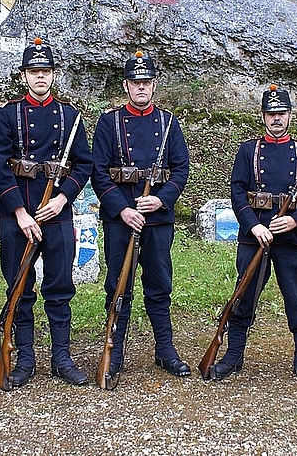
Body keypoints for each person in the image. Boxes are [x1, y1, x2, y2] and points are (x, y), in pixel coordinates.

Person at [0, 38, 93, 387]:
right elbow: (0, 167)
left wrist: (64, 198)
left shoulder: (69, 116)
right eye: (34, 71)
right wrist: (19, 211)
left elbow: (84, 163)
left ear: (53, 74)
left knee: (60, 286)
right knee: (19, 286)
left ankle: (61, 357)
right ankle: (25, 358)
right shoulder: (7, 115)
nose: (40, 77)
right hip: (17, 213)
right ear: (24, 75)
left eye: (46, 71)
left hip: (57, 213)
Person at [91, 50, 191, 381]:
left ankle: (165, 350)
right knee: (118, 285)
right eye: (135, 82)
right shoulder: (109, 122)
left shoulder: (168, 123)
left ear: (154, 85)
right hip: (121, 220)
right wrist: (123, 209)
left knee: (159, 285)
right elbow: (99, 173)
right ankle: (114, 351)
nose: (141, 88)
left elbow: (180, 170)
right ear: (126, 85)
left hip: (157, 220)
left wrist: (161, 201)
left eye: (146, 82)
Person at [215, 85, 297, 384]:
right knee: (243, 296)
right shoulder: (249, 150)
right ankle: (233, 355)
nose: (276, 119)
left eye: (282, 113)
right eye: (271, 114)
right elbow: (238, 192)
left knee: (295, 298)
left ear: (290, 115)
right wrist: (253, 225)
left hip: (290, 238)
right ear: (263, 116)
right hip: (255, 236)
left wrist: (295, 221)